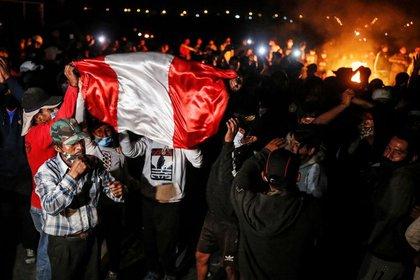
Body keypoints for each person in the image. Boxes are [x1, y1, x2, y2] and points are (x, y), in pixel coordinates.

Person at [0, 58, 79, 280]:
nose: (53, 111)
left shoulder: (33, 130)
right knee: (47, 253)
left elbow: (26, 100)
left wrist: (8, 79)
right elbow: (64, 118)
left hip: (38, 202)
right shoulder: (40, 133)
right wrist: (73, 87)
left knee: (49, 249)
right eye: (49, 110)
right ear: (39, 116)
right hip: (44, 205)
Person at [34, 118, 124, 280]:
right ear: (58, 147)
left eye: (80, 141)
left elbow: (110, 187)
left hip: (91, 238)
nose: (79, 147)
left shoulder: (93, 162)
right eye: (72, 144)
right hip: (64, 245)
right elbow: (50, 206)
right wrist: (72, 176)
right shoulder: (47, 171)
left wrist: (117, 191)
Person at [231, 138, 322, 279]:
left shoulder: (246, 205)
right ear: (297, 177)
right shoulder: (310, 209)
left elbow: (240, 179)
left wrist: (264, 153)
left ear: (264, 176)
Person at [119, 133, 203, 279]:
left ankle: (169, 272)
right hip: (149, 199)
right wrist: (123, 131)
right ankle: (153, 270)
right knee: (149, 239)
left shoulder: (181, 138)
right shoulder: (151, 136)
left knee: (167, 242)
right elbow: (130, 151)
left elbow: (198, 162)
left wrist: (186, 141)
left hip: (170, 202)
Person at [195, 118, 256, 280]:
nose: (236, 133)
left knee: (230, 268)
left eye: (241, 131)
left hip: (231, 224)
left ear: (249, 138)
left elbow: (227, 173)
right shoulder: (223, 152)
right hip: (212, 218)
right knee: (201, 257)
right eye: (235, 130)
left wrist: (230, 142)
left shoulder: (249, 160)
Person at [358, 132, 419, 280]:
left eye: (397, 152)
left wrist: (367, 241)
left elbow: (389, 216)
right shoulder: (387, 171)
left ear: (412, 157)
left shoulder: (402, 178)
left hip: (385, 254)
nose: (389, 155)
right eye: (388, 149)